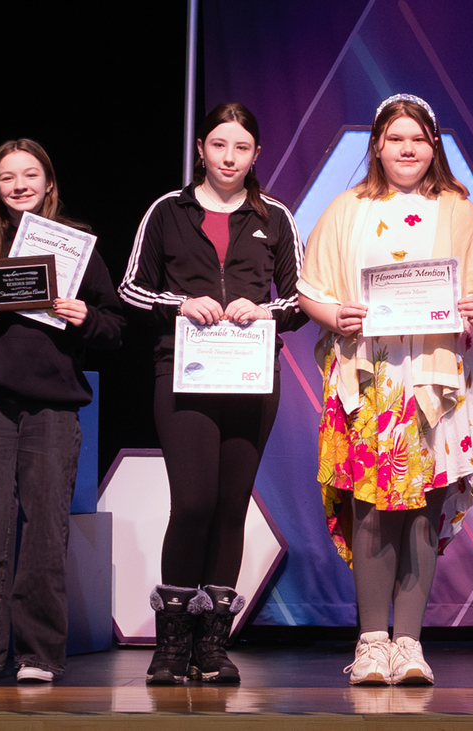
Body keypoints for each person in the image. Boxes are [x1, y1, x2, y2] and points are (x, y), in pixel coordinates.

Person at [298, 94, 473, 685]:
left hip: (438, 381)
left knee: (423, 507)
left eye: (418, 138)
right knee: (370, 505)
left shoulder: (459, 211)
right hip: (371, 379)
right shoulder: (346, 210)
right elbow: (311, 289)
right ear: (377, 146)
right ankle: (371, 643)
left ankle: (410, 644)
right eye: (396, 138)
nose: (407, 148)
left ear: (433, 146)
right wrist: (334, 315)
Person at [119, 102, 306, 685]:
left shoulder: (275, 216)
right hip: (184, 373)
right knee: (194, 503)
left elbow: (300, 299)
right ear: (201, 148)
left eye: (241, 148)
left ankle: (212, 646)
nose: (229, 158)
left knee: (231, 508)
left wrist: (265, 310)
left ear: (256, 155)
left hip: (251, 377)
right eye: (219, 145)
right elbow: (131, 289)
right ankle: (172, 645)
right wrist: (181, 303)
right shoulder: (167, 211)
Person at [0, 139, 124, 683]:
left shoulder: (76, 247)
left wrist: (85, 317)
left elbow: (115, 328)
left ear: (48, 182)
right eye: (7, 177)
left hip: (54, 408)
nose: (20, 185)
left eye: (30, 174)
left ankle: (38, 654)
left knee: (45, 531)